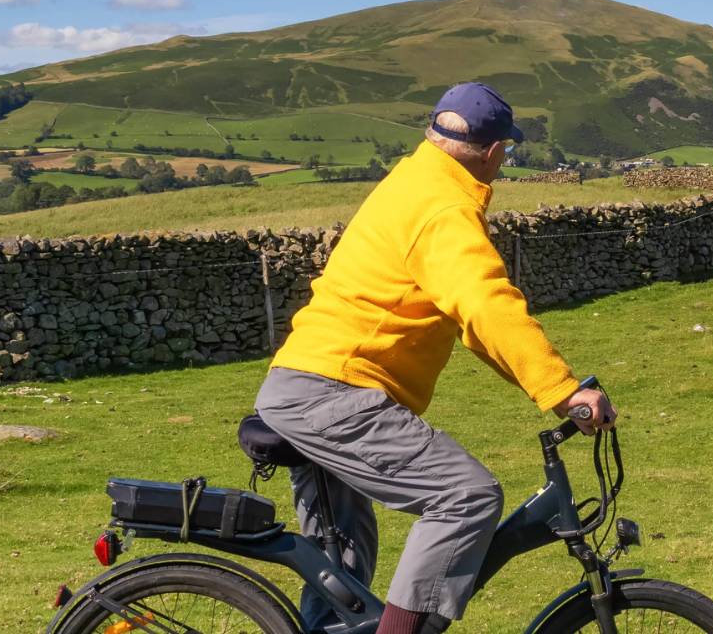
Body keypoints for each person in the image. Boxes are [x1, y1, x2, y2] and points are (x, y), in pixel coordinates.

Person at [254, 82, 617, 634]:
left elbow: (474, 326)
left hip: (307, 385)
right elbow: (486, 306)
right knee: (466, 496)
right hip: (333, 391)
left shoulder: (412, 180)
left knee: (344, 570)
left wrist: (542, 388)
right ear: (496, 153)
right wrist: (564, 392)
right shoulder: (444, 208)